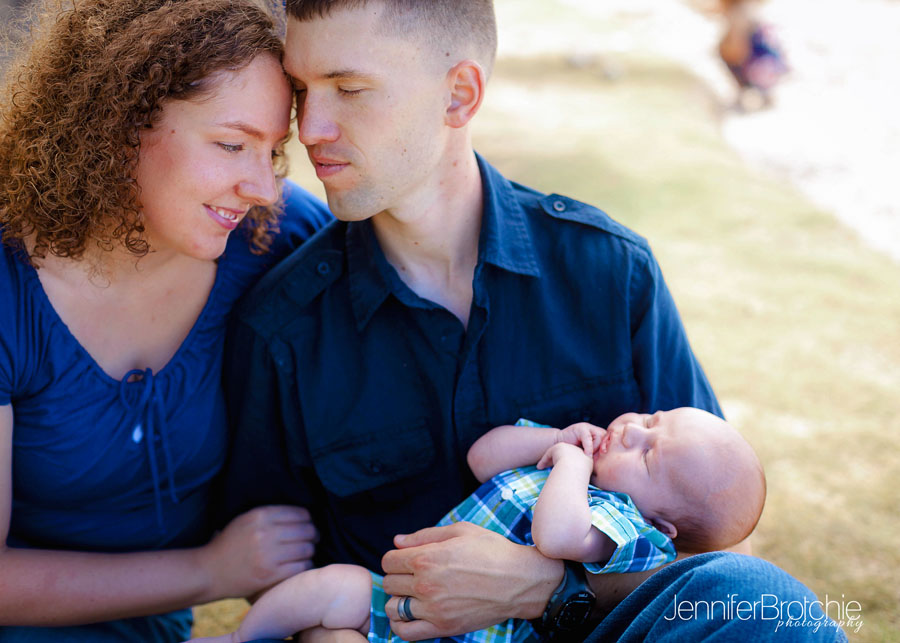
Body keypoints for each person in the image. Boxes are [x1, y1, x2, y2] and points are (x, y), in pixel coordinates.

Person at [221, 1, 845, 640]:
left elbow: (707, 555)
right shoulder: (282, 329)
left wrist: (543, 587)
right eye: (301, 90)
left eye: (349, 89)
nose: (312, 127)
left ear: (459, 96)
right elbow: (273, 571)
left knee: (763, 600)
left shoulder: (609, 271)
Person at [0, 0, 330, 640]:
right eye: (232, 144)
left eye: (272, 150)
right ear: (119, 125)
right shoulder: (10, 288)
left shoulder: (276, 238)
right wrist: (210, 572)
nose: (262, 186)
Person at [192, 408, 765, 643]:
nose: (631, 430)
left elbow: (558, 539)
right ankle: (239, 638)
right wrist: (554, 441)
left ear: (665, 522)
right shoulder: (572, 453)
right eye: (649, 419)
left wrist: (570, 466)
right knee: (331, 583)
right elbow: (483, 457)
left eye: (646, 455)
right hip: (403, 596)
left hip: (473, 635)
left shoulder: (631, 532)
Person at [718, 0, 788, 110]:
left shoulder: (739, 12)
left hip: (759, 69)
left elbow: (736, 51)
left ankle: (749, 90)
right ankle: (760, 91)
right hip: (771, 65)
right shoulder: (751, 9)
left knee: (725, 49)